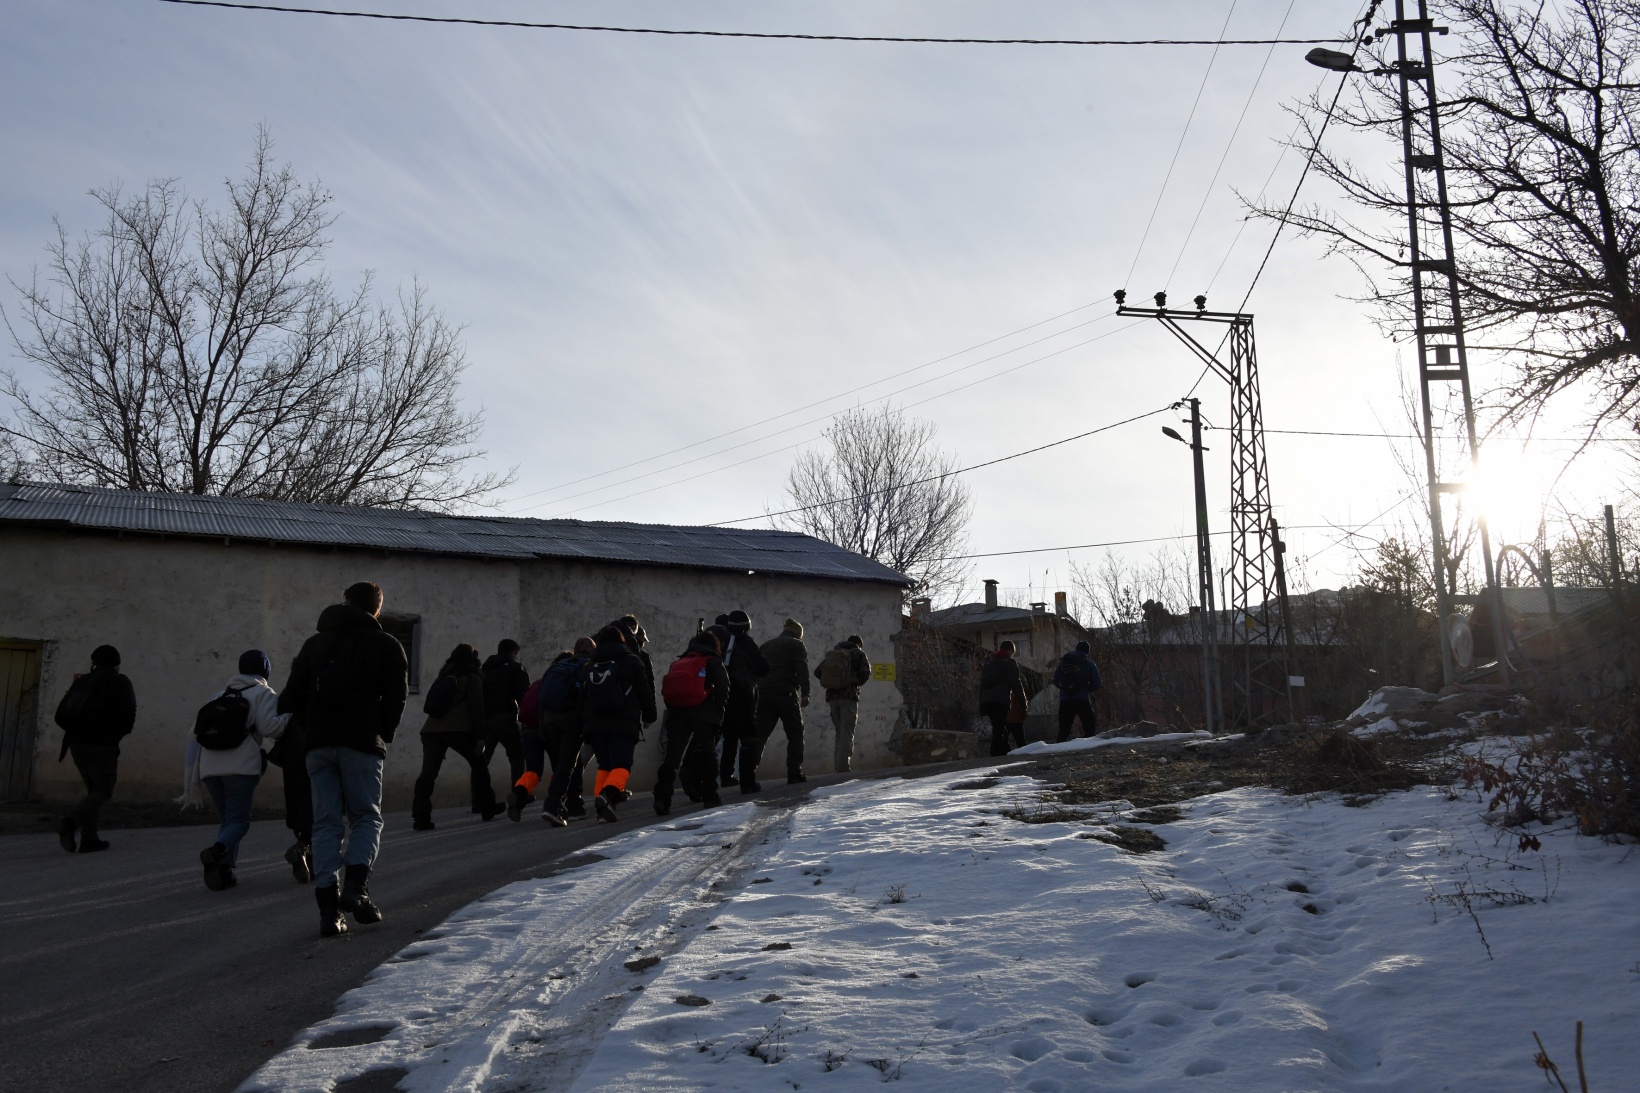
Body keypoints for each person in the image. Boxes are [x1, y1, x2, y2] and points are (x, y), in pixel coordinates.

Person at [282, 581, 408, 938]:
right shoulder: (386, 644)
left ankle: (328, 911)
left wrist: (313, 728)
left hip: (318, 745)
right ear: (377, 608)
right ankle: (356, 888)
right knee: (366, 817)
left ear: (345, 603)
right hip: (362, 742)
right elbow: (397, 695)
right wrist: (382, 730)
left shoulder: (315, 644)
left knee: (325, 824)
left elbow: (290, 697)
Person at [195, 650, 292, 891]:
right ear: (265, 671)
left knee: (228, 820)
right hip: (239, 767)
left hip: (209, 767)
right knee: (240, 821)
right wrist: (290, 716)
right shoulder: (263, 693)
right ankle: (216, 853)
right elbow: (271, 729)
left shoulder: (218, 695)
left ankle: (225, 871)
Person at [52, 644, 137, 854]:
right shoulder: (119, 682)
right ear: (116, 664)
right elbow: (128, 715)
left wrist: (77, 732)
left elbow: (60, 715)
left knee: (94, 789)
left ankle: (90, 839)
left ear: (94, 663)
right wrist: (113, 735)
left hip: (75, 743)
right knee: (103, 789)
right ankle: (71, 823)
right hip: (101, 745)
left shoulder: (82, 682)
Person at [412, 644, 502, 829]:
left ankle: (420, 817)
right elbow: (477, 707)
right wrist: (480, 735)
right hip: (458, 730)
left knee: (428, 774)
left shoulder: (444, 674)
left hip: (431, 730)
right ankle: (488, 806)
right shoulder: (472, 676)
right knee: (479, 766)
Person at [580, 624, 657, 823]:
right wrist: (650, 716)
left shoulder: (589, 665)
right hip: (623, 722)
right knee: (622, 765)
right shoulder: (632, 661)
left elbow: (582, 697)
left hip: (595, 724)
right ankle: (609, 795)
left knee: (604, 765)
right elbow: (644, 691)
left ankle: (603, 810)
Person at [653, 628, 730, 815]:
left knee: (672, 758)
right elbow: (723, 689)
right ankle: (710, 796)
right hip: (704, 715)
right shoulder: (713, 661)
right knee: (708, 754)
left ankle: (662, 797)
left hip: (678, 714)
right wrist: (718, 713)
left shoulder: (680, 662)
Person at [518, 636, 594, 825]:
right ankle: (552, 806)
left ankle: (572, 806)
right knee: (566, 767)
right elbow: (588, 697)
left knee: (565, 766)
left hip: (549, 723)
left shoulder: (555, 668)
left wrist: (543, 730)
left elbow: (541, 702)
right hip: (571, 723)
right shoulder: (587, 666)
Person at [748, 617, 811, 790]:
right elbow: (802, 668)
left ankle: (749, 774)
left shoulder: (766, 645)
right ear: (798, 634)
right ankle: (794, 772)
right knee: (796, 733)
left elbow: (756, 670)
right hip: (785, 693)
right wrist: (805, 693)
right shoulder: (796, 645)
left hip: (763, 694)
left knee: (760, 735)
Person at [717, 611, 769, 789]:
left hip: (723, 698)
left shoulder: (722, 643)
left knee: (729, 739)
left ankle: (725, 775)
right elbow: (762, 668)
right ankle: (747, 782)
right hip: (743, 697)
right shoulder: (746, 644)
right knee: (749, 739)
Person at [814, 634, 873, 773]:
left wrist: (834, 683)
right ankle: (843, 768)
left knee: (840, 731)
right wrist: (853, 684)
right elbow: (866, 673)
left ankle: (838, 765)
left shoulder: (834, 654)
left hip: (832, 697)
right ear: (858, 643)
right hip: (849, 697)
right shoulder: (858, 654)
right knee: (847, 732)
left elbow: (818, 672)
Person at [480, 639, 530, 794]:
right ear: (512, 652)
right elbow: (523, 695)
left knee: (482, 760)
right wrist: (527, 718)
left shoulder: (484, 669)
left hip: (486, 718)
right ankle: (518, 793)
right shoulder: (515, 668)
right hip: (505, 716)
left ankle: (478, 799)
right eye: (515, 654)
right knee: (517, 756)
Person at [979, 641, 1029, 757]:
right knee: (999, 728)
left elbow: (982, 686)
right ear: (1010, 651)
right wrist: (1023, 704)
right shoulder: (1009, 662)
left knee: (999, 726)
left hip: (987, 701)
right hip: (1000, 700)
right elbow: (1016, 684)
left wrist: (981, 706)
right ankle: (995, 754)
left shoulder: (989, 663)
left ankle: (1004, 750)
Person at [1052, 640, 1103, 742]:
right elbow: (1097, 683)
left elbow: (1055, 680)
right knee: (1089, 728)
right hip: (1082, 700)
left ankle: (1057, 752)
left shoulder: (1064, 662)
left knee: (1064, 730)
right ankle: (1089, 751)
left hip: (1065, 700)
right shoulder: (1089, 664)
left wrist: (1066, 689)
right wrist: (1086, 689)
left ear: (1076, 649)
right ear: (1087, 651)